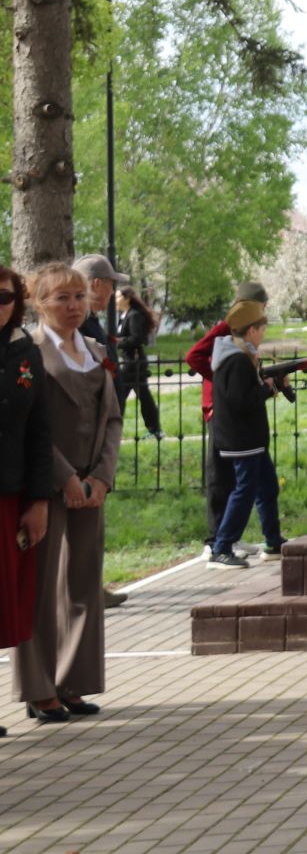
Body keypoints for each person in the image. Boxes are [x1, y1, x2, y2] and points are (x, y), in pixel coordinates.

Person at [15, 264, 122, 722]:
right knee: (39, 589)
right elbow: (30, 426)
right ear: (39, 304)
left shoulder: (95, 351)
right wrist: (65, 479)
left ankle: (73, 682)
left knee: (83, 584)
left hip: (90, 485)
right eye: (62, 298)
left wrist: (100, 476)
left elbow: (112, 419)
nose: (74, 305)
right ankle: (39, 691)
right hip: (45, 483)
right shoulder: (28, 351)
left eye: (79, 296)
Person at [0, 265, 56, 738]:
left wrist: (39, 499)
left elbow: (39, 432)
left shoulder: (24, 352)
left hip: (10, 492)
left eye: (3, 297)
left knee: (5, 600)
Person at [187, 282, 269, 557]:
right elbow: (194, 356)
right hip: (220, 410)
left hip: (231, 408)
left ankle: (230, 538)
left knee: (239, 480)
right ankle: (216, 541)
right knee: (221, 477)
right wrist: (220, 382)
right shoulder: (228, 328)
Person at [207, 300, 288, 569]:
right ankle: (221, 547)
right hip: (243, 440)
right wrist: (266, 390)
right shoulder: (237, 360)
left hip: (250, 440)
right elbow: (239, 401)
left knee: (267, 487)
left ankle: (273, 541)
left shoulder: (239, 355)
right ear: (252, 330)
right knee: (245, 490)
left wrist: (268, 384)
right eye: (262, 328)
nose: (264, 333)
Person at [114, 288, 163, 442]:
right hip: (129, 361)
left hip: (135, 362)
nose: (114, 301)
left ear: (127, 298)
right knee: (143, 396)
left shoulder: (134, 315)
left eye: (117, 297)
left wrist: (116, 342)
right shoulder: (123, 315)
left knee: (119, 395)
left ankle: (113, 431)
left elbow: (137, 338)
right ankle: (155, 430)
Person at [70, 253, 127, 360]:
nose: (112, 292)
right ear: (97, 284)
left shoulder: (88, 321)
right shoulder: (79, 325)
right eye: (111, 285)